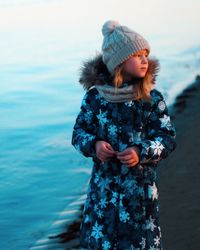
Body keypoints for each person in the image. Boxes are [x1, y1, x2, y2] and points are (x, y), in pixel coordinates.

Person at [71, 20, 176, 250]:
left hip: (140, 195)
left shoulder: (151, 98)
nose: (144, 60)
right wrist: (95, 144)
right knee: (101, 242)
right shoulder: (96, 98)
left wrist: (142, 151)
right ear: (118, 62)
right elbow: (78, 133)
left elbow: (167, 138)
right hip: (102, 194)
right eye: (137, 55)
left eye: (145, 54)